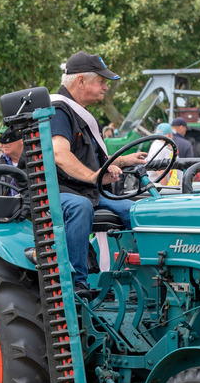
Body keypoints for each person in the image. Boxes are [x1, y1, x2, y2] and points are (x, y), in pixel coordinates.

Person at [50, 51, 147, 296]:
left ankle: (145, 276)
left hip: (84, 189)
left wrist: (123, 161)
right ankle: (78, 281)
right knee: (80, 207)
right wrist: (94, 177)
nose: (105, 87)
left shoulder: (81, 113)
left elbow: (93, 159)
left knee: (136, 210)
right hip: (56, 190)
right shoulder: (58, 110)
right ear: (80, 81)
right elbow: (60, 154)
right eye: (101, 81)